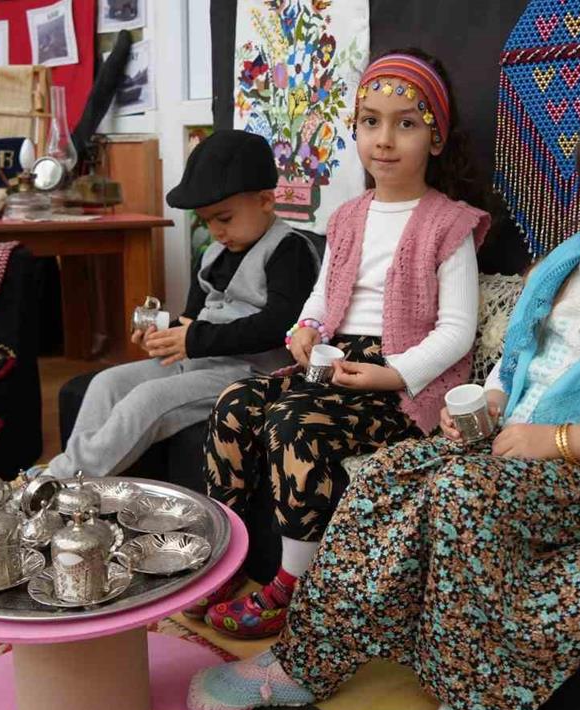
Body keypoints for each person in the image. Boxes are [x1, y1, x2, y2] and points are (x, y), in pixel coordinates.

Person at [187, 82, 580, 710]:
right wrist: (484, 405)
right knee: (383, 476)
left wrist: (556, 441)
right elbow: (518, 366)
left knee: (462, 493)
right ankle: (303, 660)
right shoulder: (566, 264)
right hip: (514, 448)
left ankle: (471, 702)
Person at [191, 49, 493, 639]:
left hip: (397, 384)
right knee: (234, 404)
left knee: (293, 427)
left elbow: (458, 331)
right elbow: (323, 296)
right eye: (370, 121)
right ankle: (227, 554)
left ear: (435, 138)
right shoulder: (349, 216)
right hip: (334, 366)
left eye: (407, 124)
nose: (385, 139)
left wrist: (394, 373)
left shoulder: (448, 224)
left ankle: (292, 586)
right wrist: (305, 329)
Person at [44, 130, 319, 479]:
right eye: (207, 221)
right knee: (106, 383)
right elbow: (191, 320)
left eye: (224, 218)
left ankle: (59, 481)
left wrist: (193, 339)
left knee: (147, 399)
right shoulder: (213, 254)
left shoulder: (289, 250)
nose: (216, 231)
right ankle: (72, 473)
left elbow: (279, 325)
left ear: (265, 200)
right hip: (200, 361)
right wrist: (162, 334)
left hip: (253, 374)